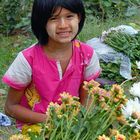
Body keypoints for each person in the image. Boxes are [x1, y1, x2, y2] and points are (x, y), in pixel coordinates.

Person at [2, 0, 101, 128]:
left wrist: (79, 124)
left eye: (69, 16)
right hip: (35, 128)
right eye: (53, 18)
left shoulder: (87, 55)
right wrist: (52, 121)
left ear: (79, 17)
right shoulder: (27, 59)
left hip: (72, 126)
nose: (63, 25)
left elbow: (87, 100)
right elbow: (10, 107)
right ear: (42, 22)